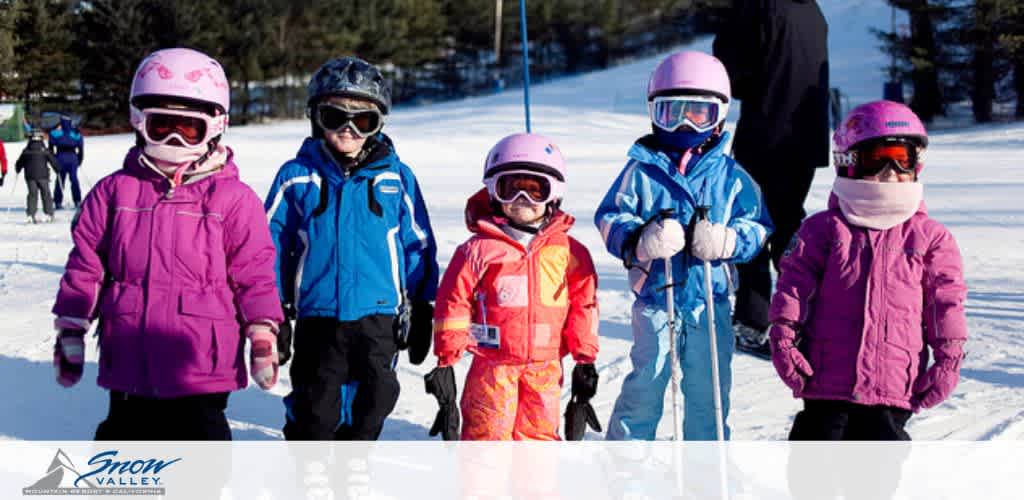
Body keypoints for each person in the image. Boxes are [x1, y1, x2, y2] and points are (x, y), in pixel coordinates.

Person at [50, 47, 283, 440]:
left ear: (215, 127)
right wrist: (71, 325)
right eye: (162, 126)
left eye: (188, 128)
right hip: (129, 359)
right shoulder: (113, 193)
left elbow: (254, 273)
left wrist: (262, 331)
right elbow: (85, 266)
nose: (174, 139)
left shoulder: (234, 200)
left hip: (201, 366)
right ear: (139, 121)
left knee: (200, 454)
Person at [595, 51, 773, 440]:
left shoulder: (732, 176)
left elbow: (758, 227)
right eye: (671, 111)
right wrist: (640, 238)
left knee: (707, 391)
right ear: (653, 112)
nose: (684, 123)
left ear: (719, 116)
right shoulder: (641, 172)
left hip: (710, 303)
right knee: (646, 383)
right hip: (656, 301)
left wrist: (728, 240)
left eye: (698, 113)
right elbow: (609, 216)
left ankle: (706, 469)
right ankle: (627, 466)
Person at [769, 100, 968, 440]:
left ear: (916, 164)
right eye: (878, 158)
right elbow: (793, 290)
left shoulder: (930, 237)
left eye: (901, 158)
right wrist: (784, 341)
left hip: (892, 386)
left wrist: (948, 361)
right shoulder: (823, 230)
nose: (890, 170)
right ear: (849, 161)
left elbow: (945, 304)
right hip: (825, 382)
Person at [266, 56, 438, 441]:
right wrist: (272, 311)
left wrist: (424, 303)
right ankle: (309, 461)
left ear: (378, 126)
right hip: (319, 314)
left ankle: (354, 461)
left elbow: (418, 244)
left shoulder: (396, 178)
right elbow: (270, 244)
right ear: (315, 118)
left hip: (377, 315)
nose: (347, 130)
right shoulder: (296, 177)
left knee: (375, 396)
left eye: (362, 121)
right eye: (334, 117)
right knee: (317, 400)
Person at [425, 133, 601, 441]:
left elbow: (583, 305)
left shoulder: (570, 252)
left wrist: (584, 359)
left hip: (545, 369)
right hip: (493, 366)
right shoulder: (477, 250)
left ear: (554, 194)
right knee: (487, 438)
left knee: (539, 439)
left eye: (535, 190)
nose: (523, 200)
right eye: (511, 189)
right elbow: (452, 302)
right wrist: (446, 359)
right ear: (493, 191)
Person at [712, 0, 830, 358]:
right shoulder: (811, 8)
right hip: (805, 134)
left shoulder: (758, 7)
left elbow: (728, 72)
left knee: (755, 225)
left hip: (768, 131)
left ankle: (755, 321)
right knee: (789, 223)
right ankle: (813, 314)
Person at [14, 131, 60, 223]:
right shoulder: (44, 150)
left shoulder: (26, 151)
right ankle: (49, 214)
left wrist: (18, 169)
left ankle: (31, 215)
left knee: (32, 195)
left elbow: (19, 163)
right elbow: (53, 161)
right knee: (46, 194)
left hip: (30, 177)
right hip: (43, 176)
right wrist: (57, 169)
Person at [49, 115, 85, 210]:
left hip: (60, 157)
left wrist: (53, 160)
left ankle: (58, 201)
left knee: (60, 180)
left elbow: (50, 148)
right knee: (74, 180)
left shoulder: (55, 133)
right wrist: (79, 160)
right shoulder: (75, 133)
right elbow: (81, 149)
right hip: (73, 158)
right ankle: (77, 200)